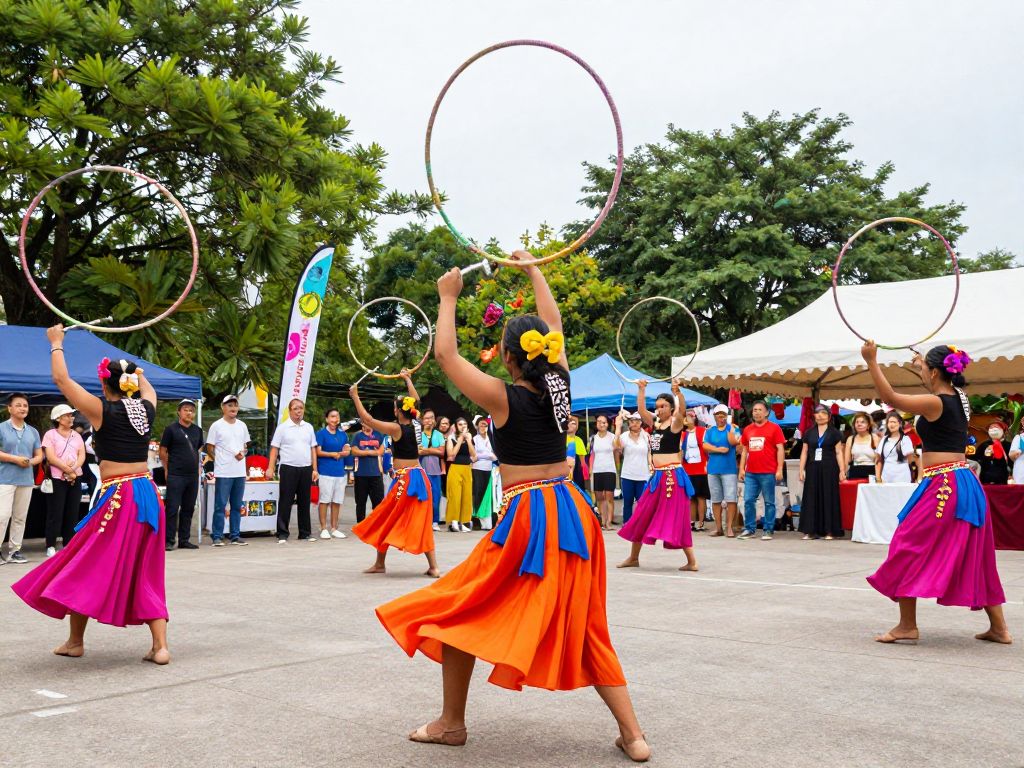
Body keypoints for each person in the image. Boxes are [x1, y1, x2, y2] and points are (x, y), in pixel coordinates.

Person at [374, 255, 649, 762]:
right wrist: (534, 273)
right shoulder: (561, 382)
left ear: (507, 356)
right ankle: (633, 735)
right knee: (585, 624)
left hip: (531, 518)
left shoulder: (503, 398)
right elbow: (557, 324)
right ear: (544, 351)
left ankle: (452, 724)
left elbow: (446, 357)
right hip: (575, 514)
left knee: (458, 608)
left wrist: (449, 297)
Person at [13, 327, 171, 663]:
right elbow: (148, 388)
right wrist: (134, 371)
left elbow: (62, 380)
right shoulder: (146, 409)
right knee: (147, 569)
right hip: (148, 493)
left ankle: (76, 641)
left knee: (84, 562)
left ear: (104, 385)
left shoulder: (103, 410)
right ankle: (160, 646)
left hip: (120, 497)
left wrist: (56, 343)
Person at [860, 341, 1011, 645]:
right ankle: (999, 628)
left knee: (906, 543)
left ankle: (907, 625)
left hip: (944, 485)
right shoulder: (959, 398)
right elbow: (935, 384)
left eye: (926, 368)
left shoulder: (935, 402)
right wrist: (923, 368)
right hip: (961, 482)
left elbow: (889, 398)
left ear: (935, 372)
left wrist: (872, 361)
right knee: (976, 554)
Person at [350, 370, 440, 577]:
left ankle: (382, 563)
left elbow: (368, 420)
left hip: (405, 480)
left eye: (394, 407)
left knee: (386, 517)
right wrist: (407, 378)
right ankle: (433, 567)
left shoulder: (397, 429)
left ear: (399, 411)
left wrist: (355, 395)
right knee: (417, 521)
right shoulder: (416, 424)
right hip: (418, 477)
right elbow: (415, 400)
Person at [618, 380, 698, 572]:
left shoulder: (676, 424)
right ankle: (634, 557)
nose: (660, 409)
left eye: (664, 406)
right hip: (656, 478)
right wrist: (641, 389)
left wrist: (678, 393)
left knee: (677, 517)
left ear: (671, 409)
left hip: (673, 478)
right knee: (642, 513)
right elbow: (641, 409)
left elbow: (682, 410)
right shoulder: (655, 424)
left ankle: (692, 561)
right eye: (658, 406)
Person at [267, 399, 319, 543]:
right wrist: (270, 468)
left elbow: (313, 448)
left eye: (301, 408)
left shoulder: (308, 427)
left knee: (304, 501)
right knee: (286, 501)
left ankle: (305, 533)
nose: (298, 411)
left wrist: (315, 469)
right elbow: (275, 449)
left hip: (305, 468)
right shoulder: (282, 428)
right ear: (290, 411)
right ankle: (282, 533)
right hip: (288, 467)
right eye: (295, 408)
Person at [1, 393, 44, 564]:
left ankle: (15, 550)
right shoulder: (1, 428)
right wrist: (15, 459)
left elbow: (39, 455)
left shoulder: (32, 431)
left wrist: (30, 461)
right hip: (4, 478)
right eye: (18, 405)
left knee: (20, 517)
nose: (22, 408)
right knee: (2, 516)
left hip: (26, 480)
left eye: (25, 405)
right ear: (9, 408)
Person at [41, 404, 86, 558]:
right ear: (58, 418)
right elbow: (51, 457)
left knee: (72, 511)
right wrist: (66, 469)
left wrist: (74, 469)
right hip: (57, 477)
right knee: (55, 512)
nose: (71, 418)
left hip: (75, 477)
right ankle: (51, 545)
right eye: (67, 415)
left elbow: (82, 455)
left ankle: (69, 543)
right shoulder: (50, 434)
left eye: (71, 415)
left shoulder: (77, 435)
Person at [205, 394, 250, 547]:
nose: (233, 408)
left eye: (235, 405)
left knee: (237, 506)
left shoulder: (242, 425)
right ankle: (217, 536)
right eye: (229, 405)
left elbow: (245, 447)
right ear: (223, 408)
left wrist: (242, 453)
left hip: (239, 472)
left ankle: (235, 536)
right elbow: (209, 447)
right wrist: (218, 459)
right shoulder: (216, 426)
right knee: (220, 505)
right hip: (224, 472)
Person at [159, 398, 203, 551]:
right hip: (176, 475)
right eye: (186, 409)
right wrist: (166, 468)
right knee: (172, 508)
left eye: (191, 410)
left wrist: (198, 467)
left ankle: (184, 539)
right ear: (179, 412)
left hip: (192, 476)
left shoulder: (197, 430)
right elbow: (163, 451)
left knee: (188, 508)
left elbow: (198, 449)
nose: (189, 413)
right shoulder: (171, 429)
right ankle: (169, 540)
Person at [738, 401, 786, 541]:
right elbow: (745, 450)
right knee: (748, 500)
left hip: (768, 471)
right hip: (751, 472)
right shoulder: (748, 429)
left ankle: (768, 529)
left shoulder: (775, 428)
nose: (756, 412)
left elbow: (780, 449)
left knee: (769, 502)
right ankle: (749, 528)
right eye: (754, 410)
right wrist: (742, 468)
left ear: (766, 413)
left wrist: (779, 469)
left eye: (760, 410)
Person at [797, 404, 845, 540]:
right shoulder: (809, 433)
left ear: (829, 416)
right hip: (812, 468)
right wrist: (801, 469)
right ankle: (810, 531)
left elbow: (838, 452)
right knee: (811, 497)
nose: (820, 415)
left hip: (829, 468)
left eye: (823, 413)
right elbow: (804, 452)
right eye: (817, 413)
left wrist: (842, 470)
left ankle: (830, 530)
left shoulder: (835, 432)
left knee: (829, 497)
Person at [702, 404, 740, 537]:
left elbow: (733, 442)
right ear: (714, 416)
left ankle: (729, 527)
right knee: (716, 499)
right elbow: (705, 445)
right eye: (718, 414)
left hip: (729, 469)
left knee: (731, 499)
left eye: (723, 414)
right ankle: (719, 528)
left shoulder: (733, 428)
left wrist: (730, 426)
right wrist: (718, 449)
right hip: (713, 469)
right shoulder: (710, 430)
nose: (721, 417)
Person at [315, 407, 351, 539]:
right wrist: (331, 454)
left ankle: (334, 527)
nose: (335, 419)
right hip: (325, 471)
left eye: (337, 417)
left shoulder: (343, 434)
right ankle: (323, 527)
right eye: (332, 417)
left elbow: (347, 448)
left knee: (337, 500)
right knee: (324, 500)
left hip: (340, 472)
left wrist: (345, 451)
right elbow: (318, 451)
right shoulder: (321, 434)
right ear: (327, 419)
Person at [614, 412, 651, 526]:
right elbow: (616, 446)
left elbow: (650, 452)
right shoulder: (624, 436)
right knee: (628, 501)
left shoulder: (646, 436)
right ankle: (627, 524)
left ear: (641, 423)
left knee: (642, 502)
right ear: (628, 423)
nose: (634, 423)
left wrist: (650, 465)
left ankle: (641, 524)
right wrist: (618, 428)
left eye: (636, 421)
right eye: (631, 421)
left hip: (643, 475)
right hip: (627, 474)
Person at [445, 417, 477, 532]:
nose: (462, 426)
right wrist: (460, 440)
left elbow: (474, 455)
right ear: (456, 426)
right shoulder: (451, 438)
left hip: (467, 469)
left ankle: (463, 522)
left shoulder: (469, 437)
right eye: (460, 424)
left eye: (464, 424)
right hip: (455, 468)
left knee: (466, 496)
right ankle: (454, 520)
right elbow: (451, 454)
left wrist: (468, 440)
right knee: (455, 495)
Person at [351, 419, 386, 523]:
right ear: (362, 423)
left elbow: (381, 451)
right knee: (360, 502)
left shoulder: (379, 435)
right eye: (366, 422)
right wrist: (372, 452)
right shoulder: (357, 436)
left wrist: (365, 452)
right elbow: (354, 451)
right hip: (361, 474)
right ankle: (361, 524)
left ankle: (377, 524)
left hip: (376, 473)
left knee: (378, 502)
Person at [681, 409, 709, 532]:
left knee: (701, 496)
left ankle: (701, 521)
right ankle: (691, 521)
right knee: (691, 497)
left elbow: (706, 448)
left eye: (690, 416)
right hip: (687, 468)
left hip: (700, 468)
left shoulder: (702, 431)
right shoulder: (681, 434)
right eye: (685, 417)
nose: (687, 419)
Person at [418, 409, 446, 531]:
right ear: (422, 420)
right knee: (423, 497)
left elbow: (442, 452)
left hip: (436, 471)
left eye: (432, 417)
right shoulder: (418, 434)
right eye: (427, 418)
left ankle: (435, 521)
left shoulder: (438, 435)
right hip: (421, 470)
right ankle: (423, 521)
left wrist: (426, 450)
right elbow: (417, 451)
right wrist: (433, 450)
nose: (429, 420)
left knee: (436, 497)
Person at [589, 414, 617, 530]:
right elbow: (591, 455)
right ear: (596, 424)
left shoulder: (613, 437)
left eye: (604, 422)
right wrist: (590, 470)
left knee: (609, 497)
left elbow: (617, 452)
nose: (602, 424)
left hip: (609, 469)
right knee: (599, 497)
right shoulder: (593, 438)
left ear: (608, 424)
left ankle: (609, 522)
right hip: (597, 470)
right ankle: (602, 521)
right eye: (599, 422)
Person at [874, 413, 918, 485]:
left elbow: (913, 460)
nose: (891, 424)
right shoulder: (884, 439)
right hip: (886, 477)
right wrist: (878, 478)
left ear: (900, 424)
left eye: (894, 422)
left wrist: (917, 477)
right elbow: (878, 460)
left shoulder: (905, 439)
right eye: (889, 422)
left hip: (902, 477)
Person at [471, 416, 497, 530]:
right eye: (481, 424)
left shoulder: (491, 439)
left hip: (489, 469)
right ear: (477, 426)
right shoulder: (474, 439)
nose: (483, 427)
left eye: (485, 425)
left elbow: (495, 455)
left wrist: (484, 456)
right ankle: (477, 519)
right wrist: (487, 455)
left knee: (489, 495)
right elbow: (473, 457)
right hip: (478, 468)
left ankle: (488, 520)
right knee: (478, 493)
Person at [976, 420, 1012, 486]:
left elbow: (1011, 462)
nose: (993, 429)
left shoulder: (1008, 445)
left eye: (996, 427)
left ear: (1002, 431)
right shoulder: (984, 445)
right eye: (991, 428)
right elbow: (977, 459)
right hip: (986, 477)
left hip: (1003, 478)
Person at [844, 412, 878, 480]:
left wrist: (878, 476)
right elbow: (847, 460)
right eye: (857, 422)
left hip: (872, 472)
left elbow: (878, 460)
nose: (859, 424)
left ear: (868, 425)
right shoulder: (850, 439)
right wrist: (844, 473)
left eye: (863, 422)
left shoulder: (875, 438)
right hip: (855, 471)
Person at [566, 415, 588, 488]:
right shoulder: (560, 440)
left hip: (577, 473)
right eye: (569, 422)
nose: (572, 423)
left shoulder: (579, 440)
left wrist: (586, 475)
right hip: (564, 470)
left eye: (574, 423)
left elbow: (583, 462)